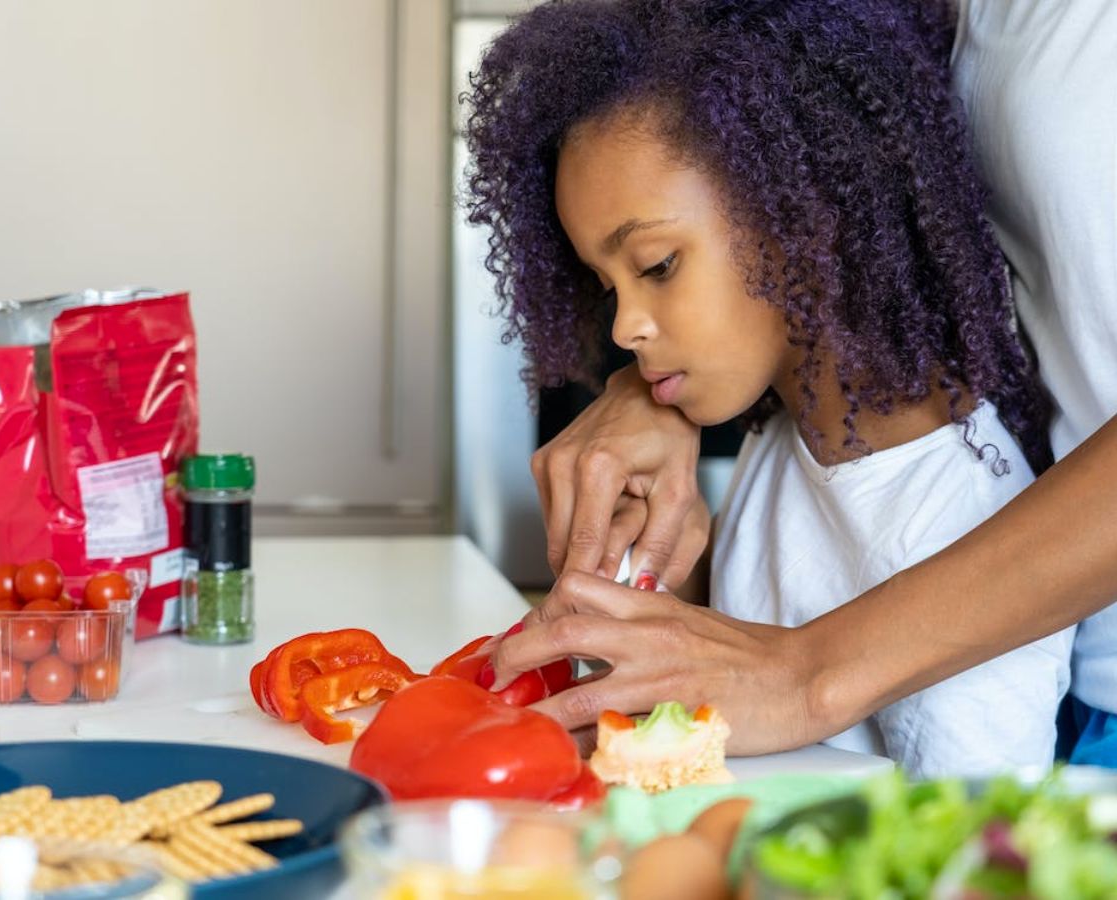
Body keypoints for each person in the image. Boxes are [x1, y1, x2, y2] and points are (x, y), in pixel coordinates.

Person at [473, 0, 1117, 767]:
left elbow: (963, 851)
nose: (620, 329)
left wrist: (808, 674)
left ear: (809, 217)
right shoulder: (788, 452)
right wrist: (666, 585)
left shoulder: (938, 501)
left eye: (656, 267)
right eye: (609, 287)